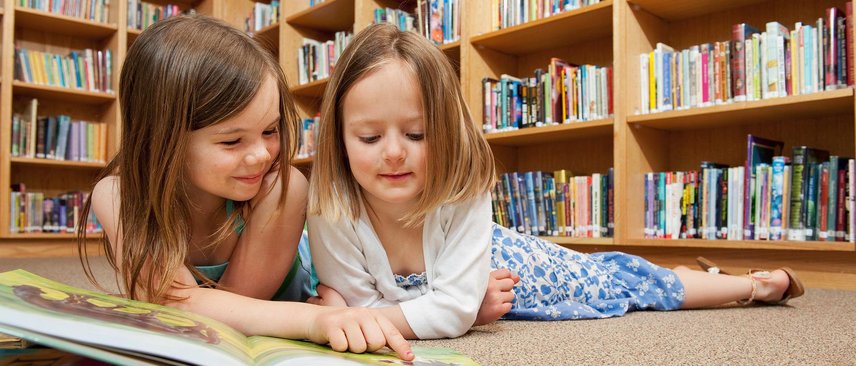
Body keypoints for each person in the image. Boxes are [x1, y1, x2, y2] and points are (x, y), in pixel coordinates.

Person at [306, 23, 805, 340]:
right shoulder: (329, 206)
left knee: (627, 280)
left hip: (512, 264)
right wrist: (443, 309)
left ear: (447, 132)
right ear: (338, 139)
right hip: (479, 285)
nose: (393, 152)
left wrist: (446, 312)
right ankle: (710, 275)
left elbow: (378, 314)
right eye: (369, 137)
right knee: (624, 275)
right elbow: (377, 312)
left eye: (416, 133)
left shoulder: (462, 189)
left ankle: (754, 286)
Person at [76, 15, 416, 360]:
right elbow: (177, 304)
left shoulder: (282, 188)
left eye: (270, 131)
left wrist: (321, 316)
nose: (260, 155)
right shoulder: (118, 195)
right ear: (160, 139)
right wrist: (315, 320)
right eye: (232, 140)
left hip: (326, 288)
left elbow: (229, 313)